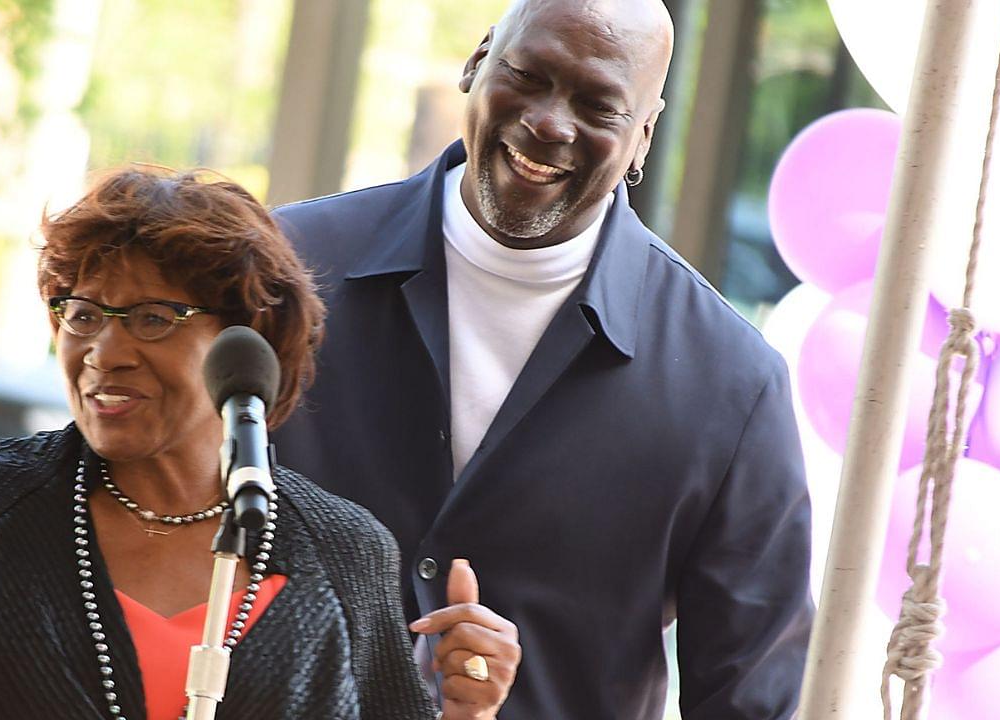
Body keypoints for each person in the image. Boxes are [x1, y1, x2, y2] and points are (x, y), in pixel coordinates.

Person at [0, 167, 520, 720]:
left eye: (151, 318)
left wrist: (469, 713)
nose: (103, 352)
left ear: (247, 344)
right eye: (83, 313)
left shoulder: (344, 551)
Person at [269, 0, 813, 718]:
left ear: (644, 136)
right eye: (528, 74)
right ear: (478, 60)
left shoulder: (733, 386)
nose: (552, 122)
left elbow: (750, 700)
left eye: (600, 105)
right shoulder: (285, 275)